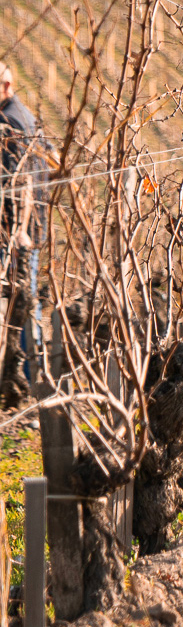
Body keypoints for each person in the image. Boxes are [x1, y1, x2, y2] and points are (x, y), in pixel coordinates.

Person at [0, 64, 42, 404]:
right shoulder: (21, 115)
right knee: (24, 303)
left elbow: (17, 183)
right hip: (23, 227)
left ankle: (30, 380)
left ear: (6, 84)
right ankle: (29, 379)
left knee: (23, 304)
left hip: (17, 230)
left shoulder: (11, 122)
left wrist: (16, 233)